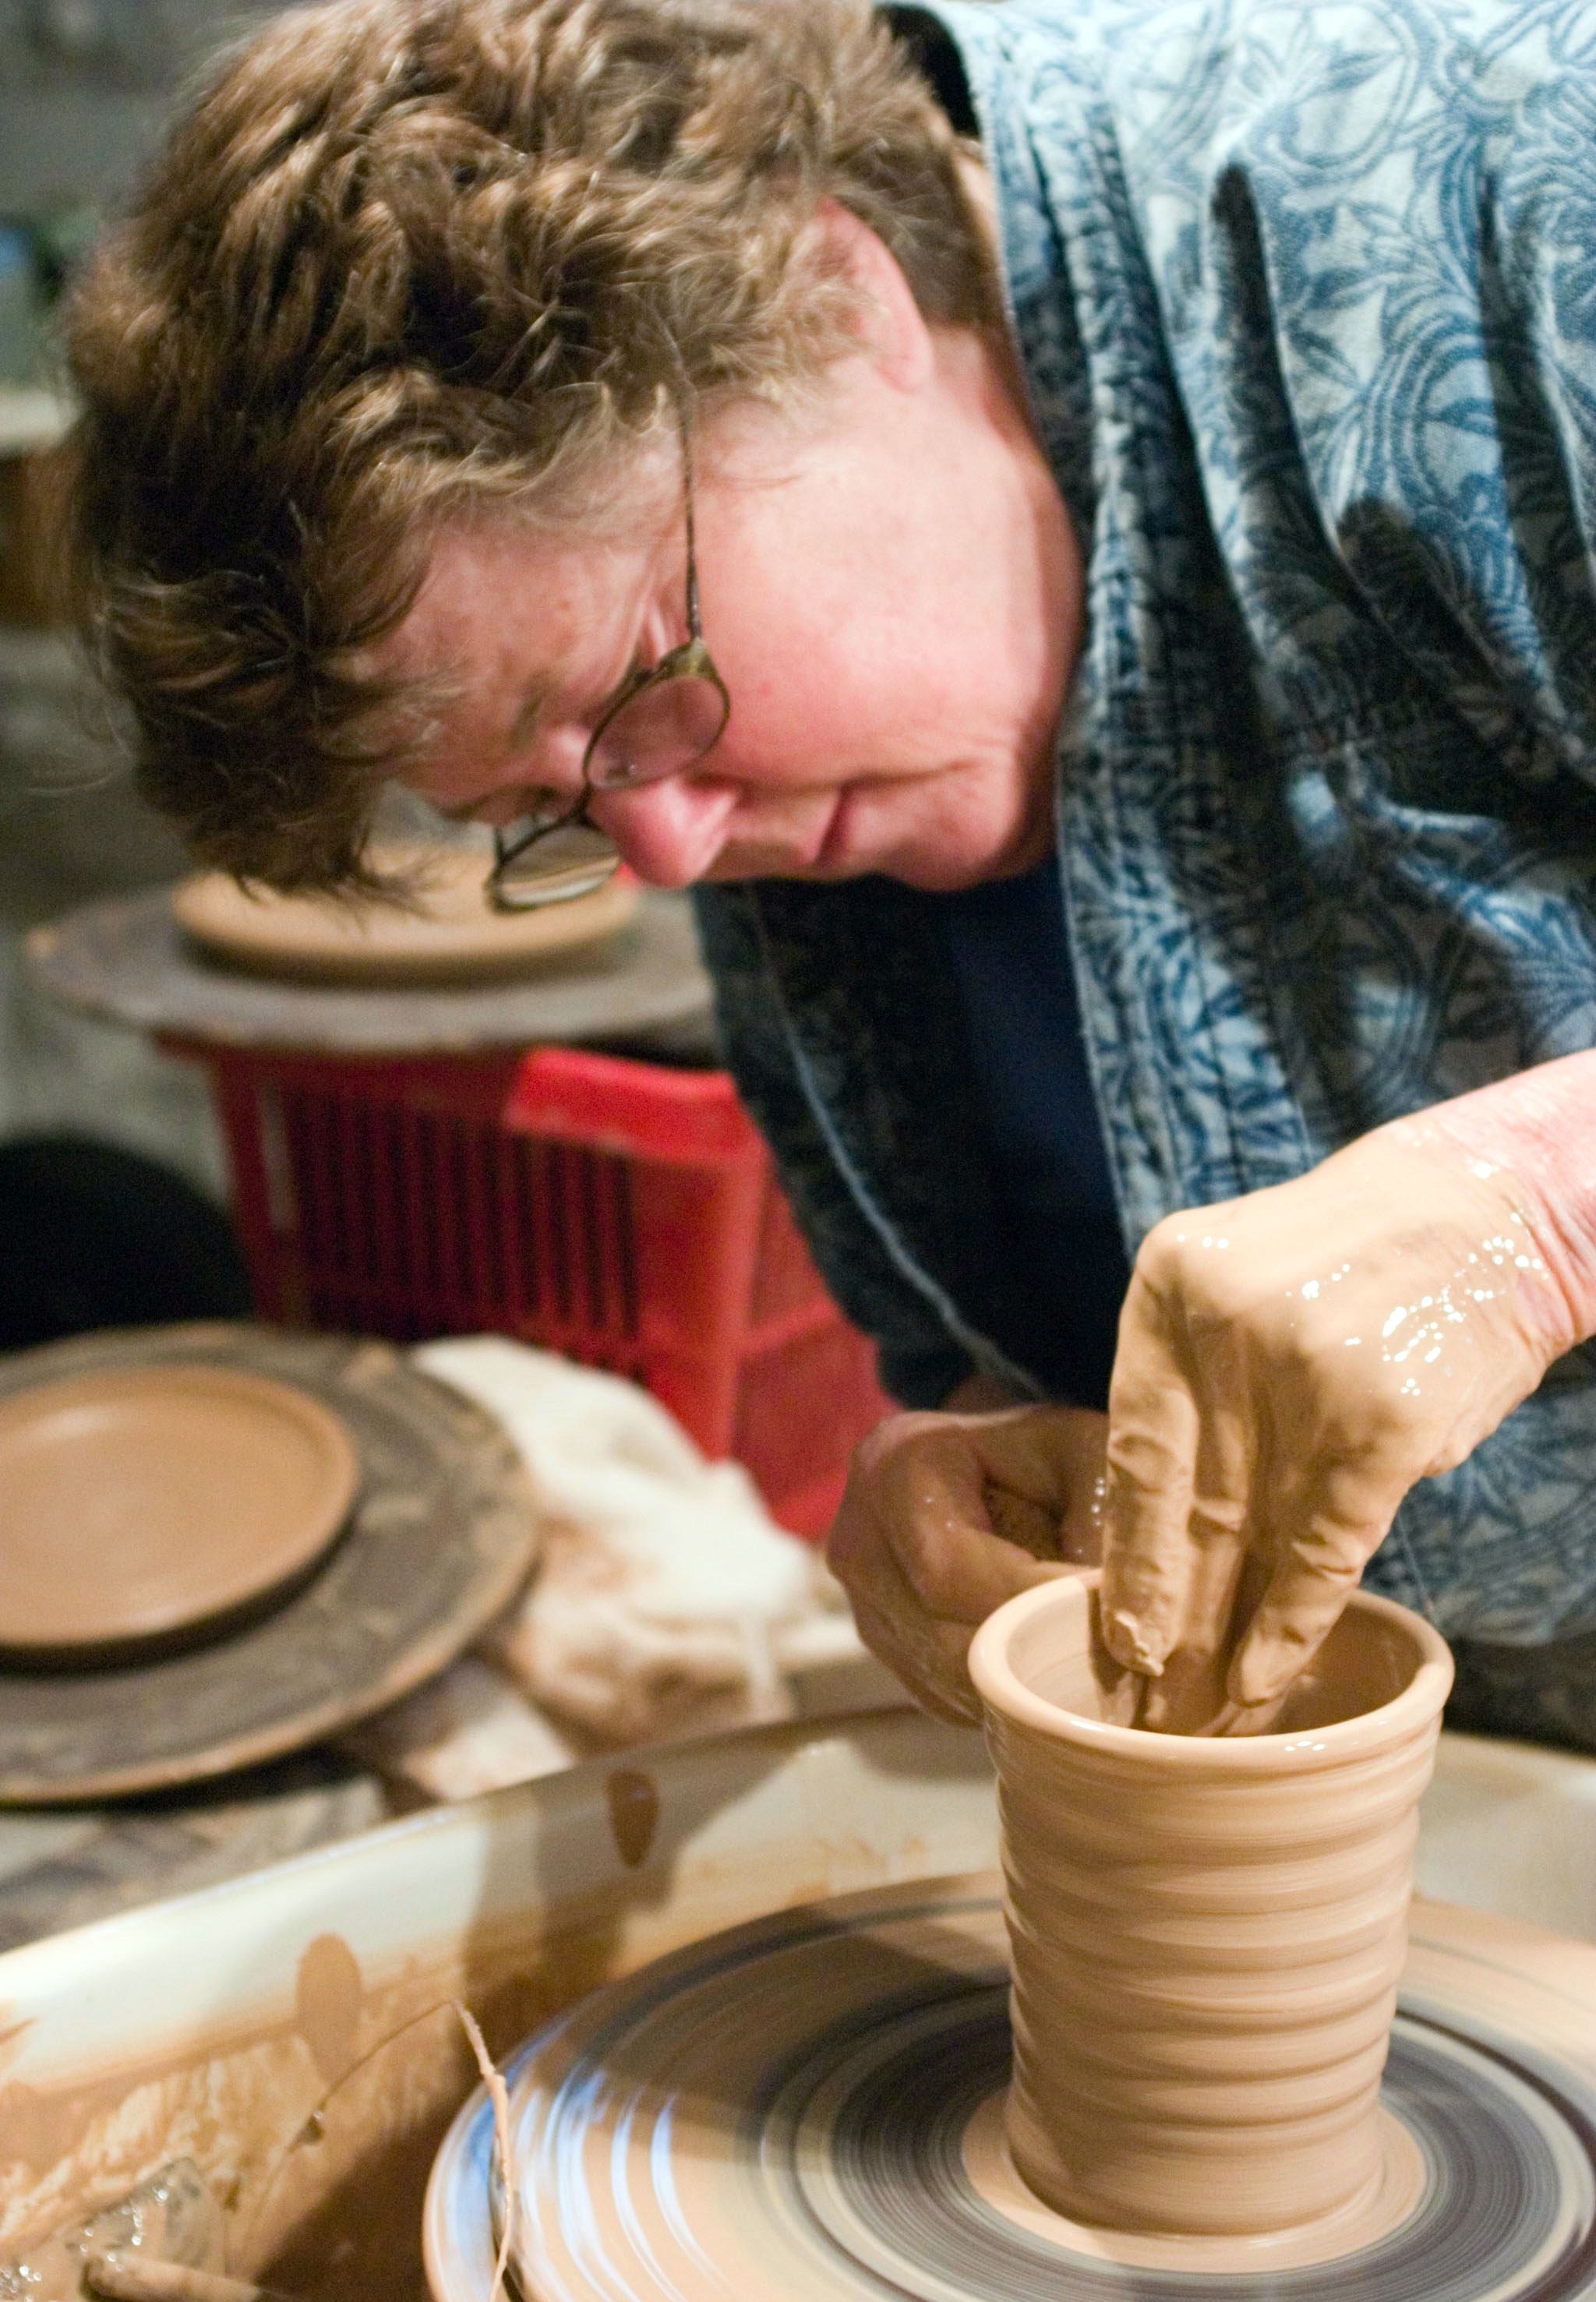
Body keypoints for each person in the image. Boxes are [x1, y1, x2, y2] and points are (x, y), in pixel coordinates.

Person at [57, 0, 1596, 1749]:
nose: (669, 849)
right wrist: (969, 1454)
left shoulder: (1503, 189)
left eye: (635, 682)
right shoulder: (751, 780)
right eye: (539, 811)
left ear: (838, 298)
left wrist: (1544, 1212)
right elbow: (1018, 1356)